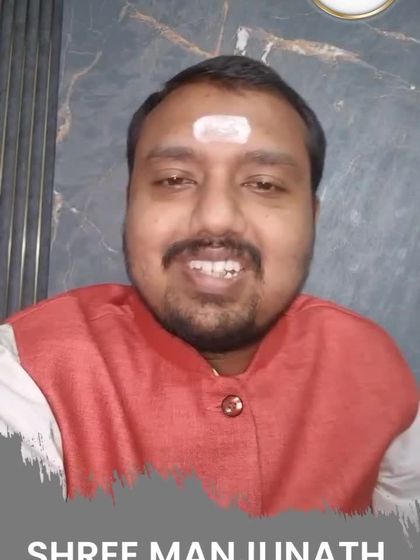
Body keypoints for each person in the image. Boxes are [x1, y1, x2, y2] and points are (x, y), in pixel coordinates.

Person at [0, 55, 419, 523]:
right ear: (129, 205)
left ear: (312, 219)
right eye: (174, 179)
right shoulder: (25, 373)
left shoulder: (375, 370)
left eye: (264, 184)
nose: (216, 217)